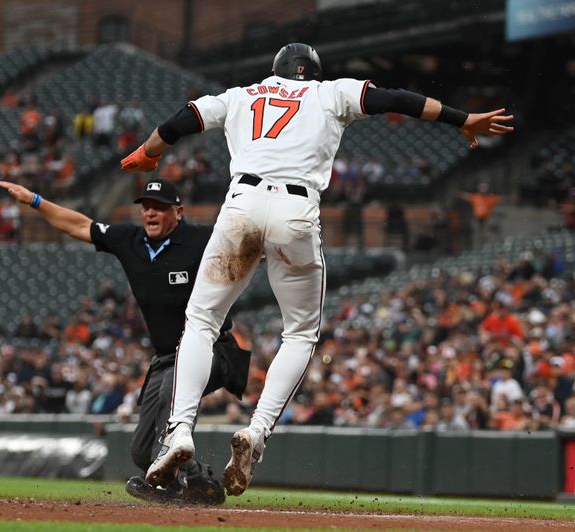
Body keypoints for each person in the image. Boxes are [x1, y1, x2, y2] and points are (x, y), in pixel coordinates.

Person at [121, 42, 514, 496]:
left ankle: (180, 431)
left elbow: (180, 121)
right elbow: (398, 99)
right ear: (313, 72)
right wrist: (462, 118)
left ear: (276, 71)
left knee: (202, 321)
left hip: (242, 207)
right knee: (300, 332)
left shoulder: (242, 95)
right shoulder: (332, 92)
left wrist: (148, 152)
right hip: (296, 210)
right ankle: (257, 432)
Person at [0, 177, 251, 505]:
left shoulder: (201, 239)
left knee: (169, 393)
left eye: (159, 207)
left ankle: (173, 482)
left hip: (212, 348)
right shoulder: (129, 240)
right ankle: (198, 481)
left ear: (179, 211)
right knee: (142, 452)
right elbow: (77, 226)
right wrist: (34, 200)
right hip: (165, 356)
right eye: (146, 207)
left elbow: (248, 247)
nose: (150, 212)